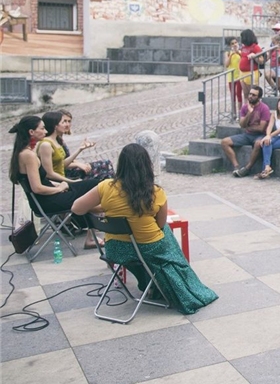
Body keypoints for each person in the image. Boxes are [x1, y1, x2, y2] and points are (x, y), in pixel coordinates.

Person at [72, 143, 218, 315]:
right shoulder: (155, 192)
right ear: (146, 166)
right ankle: (172, 283)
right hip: (148, 250)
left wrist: (102, 208)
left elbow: (77, 208)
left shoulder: (105, 187)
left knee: (155, 239)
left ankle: (154, 285)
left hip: (116, 251)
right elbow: (161, 224)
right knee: (166, 234)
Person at [9, 116, 99, 248]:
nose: (45, 132)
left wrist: (63, 185)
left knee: (92, 185)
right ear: (31, 132)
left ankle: (93, 228)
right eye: (42, 128)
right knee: (94, 188)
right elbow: (37, 188)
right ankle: (93, 233)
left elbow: (42, 181)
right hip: (48, 201)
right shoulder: (28, 155)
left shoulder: (25, 152)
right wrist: (59, 188)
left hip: (49, 197)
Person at [220, 85, 270, 177]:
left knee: (258, 143)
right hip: (247, 135)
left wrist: (248, 127)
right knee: (224, 142)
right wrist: (249, 113)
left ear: (259, 97)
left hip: (260, 135)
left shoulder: (264, 108)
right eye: (250, 94)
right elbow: (242, 125)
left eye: (254, 95)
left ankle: (247, 168)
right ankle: (236, 166)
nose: (250, 96)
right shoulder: (244, 107)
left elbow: (261, 128)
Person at [37, 112, 99, 185]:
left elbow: (62, 164)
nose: (66, 125)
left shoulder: (56, 140)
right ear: (55, 126)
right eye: (63, 122)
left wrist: (80, 149)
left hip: (64, 181)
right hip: (59, 185)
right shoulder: (46, 144)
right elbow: (49, 174)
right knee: (97, 183)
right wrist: (72, 182)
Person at [59, 110, 115, 181]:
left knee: (105, 165)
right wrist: (78, 165)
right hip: (66, 173)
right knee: (105, 164)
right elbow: (58, 165)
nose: (67, 124)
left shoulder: (60, 139)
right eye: (64, 121)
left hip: (71, 168)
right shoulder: (54, 141)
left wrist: (82, 164)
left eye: (69, 121)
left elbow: (68, 158)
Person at [238, 29, 264, 99]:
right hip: (242, 73)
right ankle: (246, 108)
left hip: (251, 72)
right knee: (245, 94)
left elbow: (261, 60)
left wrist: (254, 56)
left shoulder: (255, 47)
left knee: (253, 94)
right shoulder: (243, 47)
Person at [224, 37, 243, 111]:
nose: (234, 45)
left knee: (239, 94)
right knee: (233, 95)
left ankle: (240, 112)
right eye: (232, 43)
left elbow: (243, 61)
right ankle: (234, 112)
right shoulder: (228, 53)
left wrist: (238, 53)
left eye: (235, 42)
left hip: (239, 76)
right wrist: (231, 55)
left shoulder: (241, 52)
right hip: (231, 77)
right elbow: (226, 64)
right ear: (229, 45)